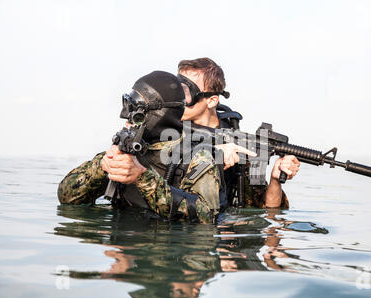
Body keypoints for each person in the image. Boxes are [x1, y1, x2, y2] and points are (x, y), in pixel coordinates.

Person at [58, 71, 225, 223]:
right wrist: (102, 166)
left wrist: (142, 177)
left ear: (161, 113)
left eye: (136, 109)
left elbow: (207, 218)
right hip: (122, 245)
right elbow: (66, 198)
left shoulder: (197, 156)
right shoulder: (128, 147)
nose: (126, 116)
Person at [176, 57, 300, 208]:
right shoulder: (166, 127)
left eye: (187, 92)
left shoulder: (237, 143)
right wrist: (213, 153)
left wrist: (275, 180)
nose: (179, 99)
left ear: (211, 100)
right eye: (177, 90)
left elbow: (268, 210)